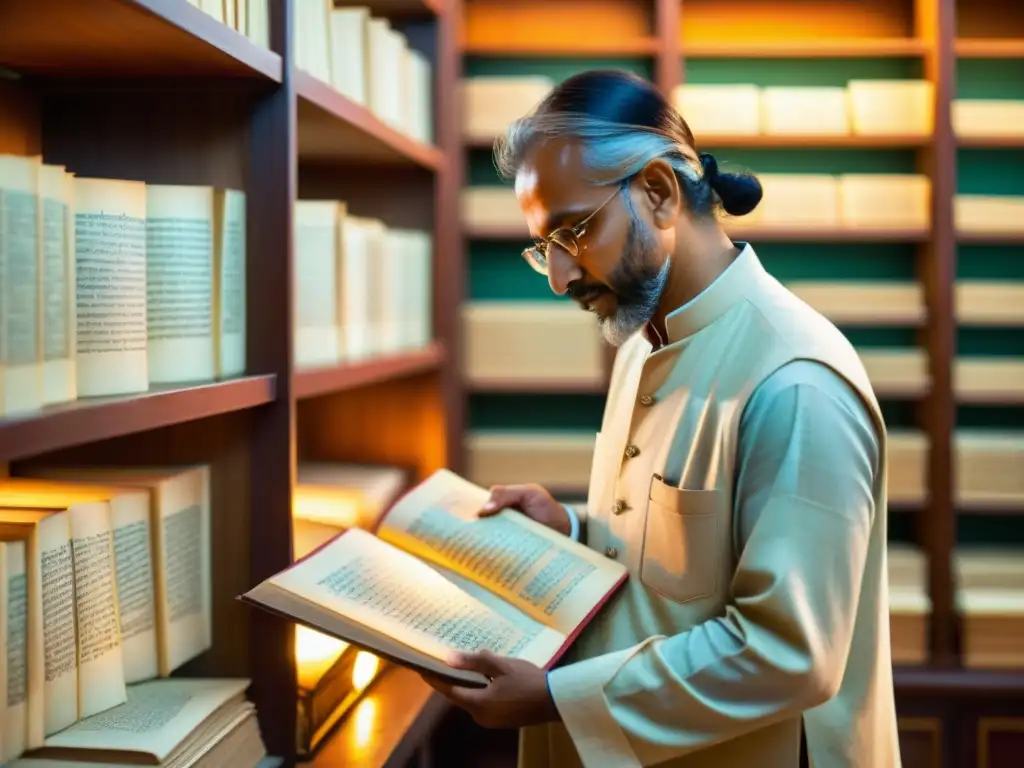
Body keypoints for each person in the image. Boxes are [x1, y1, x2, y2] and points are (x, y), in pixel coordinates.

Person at [422, 70, 902, 768]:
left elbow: (789, 655)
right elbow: (683, 566)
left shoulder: (798, 382)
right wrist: (575, 529)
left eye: (574, 231)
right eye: (541, 246)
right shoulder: (646, 338)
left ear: (658, 191)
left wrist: (557, 698)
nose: (559, 276)